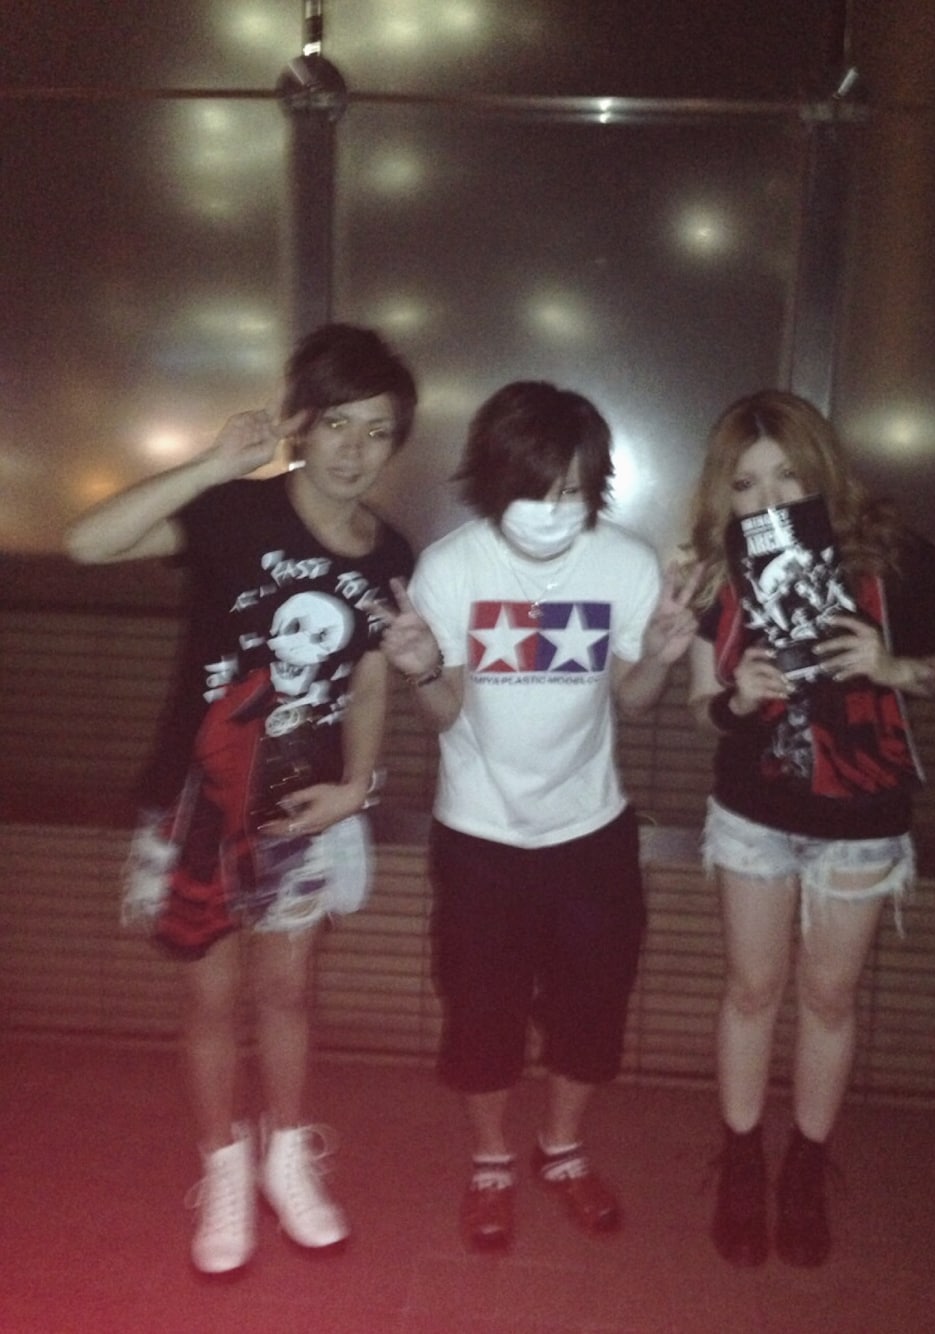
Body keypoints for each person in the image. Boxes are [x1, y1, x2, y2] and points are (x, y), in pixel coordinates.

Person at [64, 323, 418, 1275]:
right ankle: (223, 1169)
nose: (354, 449)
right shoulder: (232, 511)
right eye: (336, 422)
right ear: (299, 420)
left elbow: (371, 680)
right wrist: (211, 464)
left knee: (291, 992)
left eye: (377, 431)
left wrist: (356, 787)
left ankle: (287, 1160)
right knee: (212, 998)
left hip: (302, 807)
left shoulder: (390, 553)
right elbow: (88, 542)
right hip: (199, 804)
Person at [380, 379, 698, 1252]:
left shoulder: (624, 563)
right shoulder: (454, 567)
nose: (554, 509)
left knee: (593, 1002)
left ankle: (561, 1148)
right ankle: (490, 1161)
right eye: (535, 488)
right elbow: (445, 711)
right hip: (480, 835)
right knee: (480, 1006)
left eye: (573, 491)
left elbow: (633, 699)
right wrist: (419, 666)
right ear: (493, 481)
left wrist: (660, 656)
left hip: (592, 830)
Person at [685, 389, 935, 1268]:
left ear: (821, 471)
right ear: (725, 493)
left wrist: (891, 666)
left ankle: (806, 1169)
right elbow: (703, 706)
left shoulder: (894, 557)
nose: (770, 499)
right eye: (747, 483)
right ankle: (742, 1161)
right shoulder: (721, 569)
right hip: (754, 809)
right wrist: (740, 698)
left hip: (863, 812)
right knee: (752, 990)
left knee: (828, 997)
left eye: (788, 476)